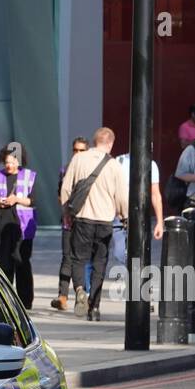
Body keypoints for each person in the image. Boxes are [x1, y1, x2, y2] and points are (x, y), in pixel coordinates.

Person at [59, 127, 128, 321]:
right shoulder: (114, 165)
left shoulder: (78, 159)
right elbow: (122, 196)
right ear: (111, 143)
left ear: (94, 140)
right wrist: (124, 217)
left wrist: (66, 212)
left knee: (78, 259)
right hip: (105, 220)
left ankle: (80, 289)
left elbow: (66, 188)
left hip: (82, 218)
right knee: (99, 263)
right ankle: (95, 307)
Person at [0, 142, 39, 308]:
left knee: (22, 261)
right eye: (7, 162)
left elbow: (32, 200)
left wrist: (17, 199)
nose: (10, 165)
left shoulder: (29, 176)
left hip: (21, 224)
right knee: (3, 262)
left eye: (13, 162)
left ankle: (25, 301)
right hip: (1, 222)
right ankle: (5, 299)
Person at [53, 136, 89, 312]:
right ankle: (63, 296)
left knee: (80, 259)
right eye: (75, 150)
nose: (78, 154)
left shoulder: (91, 170)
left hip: (86, 220)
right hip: (68, 221)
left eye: (82, 150)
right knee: (67, 257)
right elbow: (60, 193)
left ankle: (81, 294)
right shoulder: (65, 169)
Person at [112, 150, 165, 266]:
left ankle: (135, 279)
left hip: (141, 215)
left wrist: (160, 222)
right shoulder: (119, 161)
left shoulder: (151, 164)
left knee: (140, 252)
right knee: (119, 252)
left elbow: (155, 194)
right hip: (120, 216)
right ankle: (130, 273)